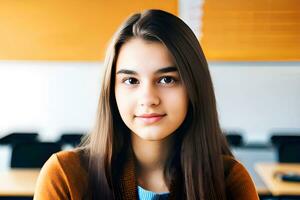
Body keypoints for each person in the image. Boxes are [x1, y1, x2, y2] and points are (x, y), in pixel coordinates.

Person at [34, 9, 259, 200]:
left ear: (193, 86)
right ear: (112, 91)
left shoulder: (229, 180)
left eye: (166, 79)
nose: (148, 98)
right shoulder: (65, 176)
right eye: (131, 81)